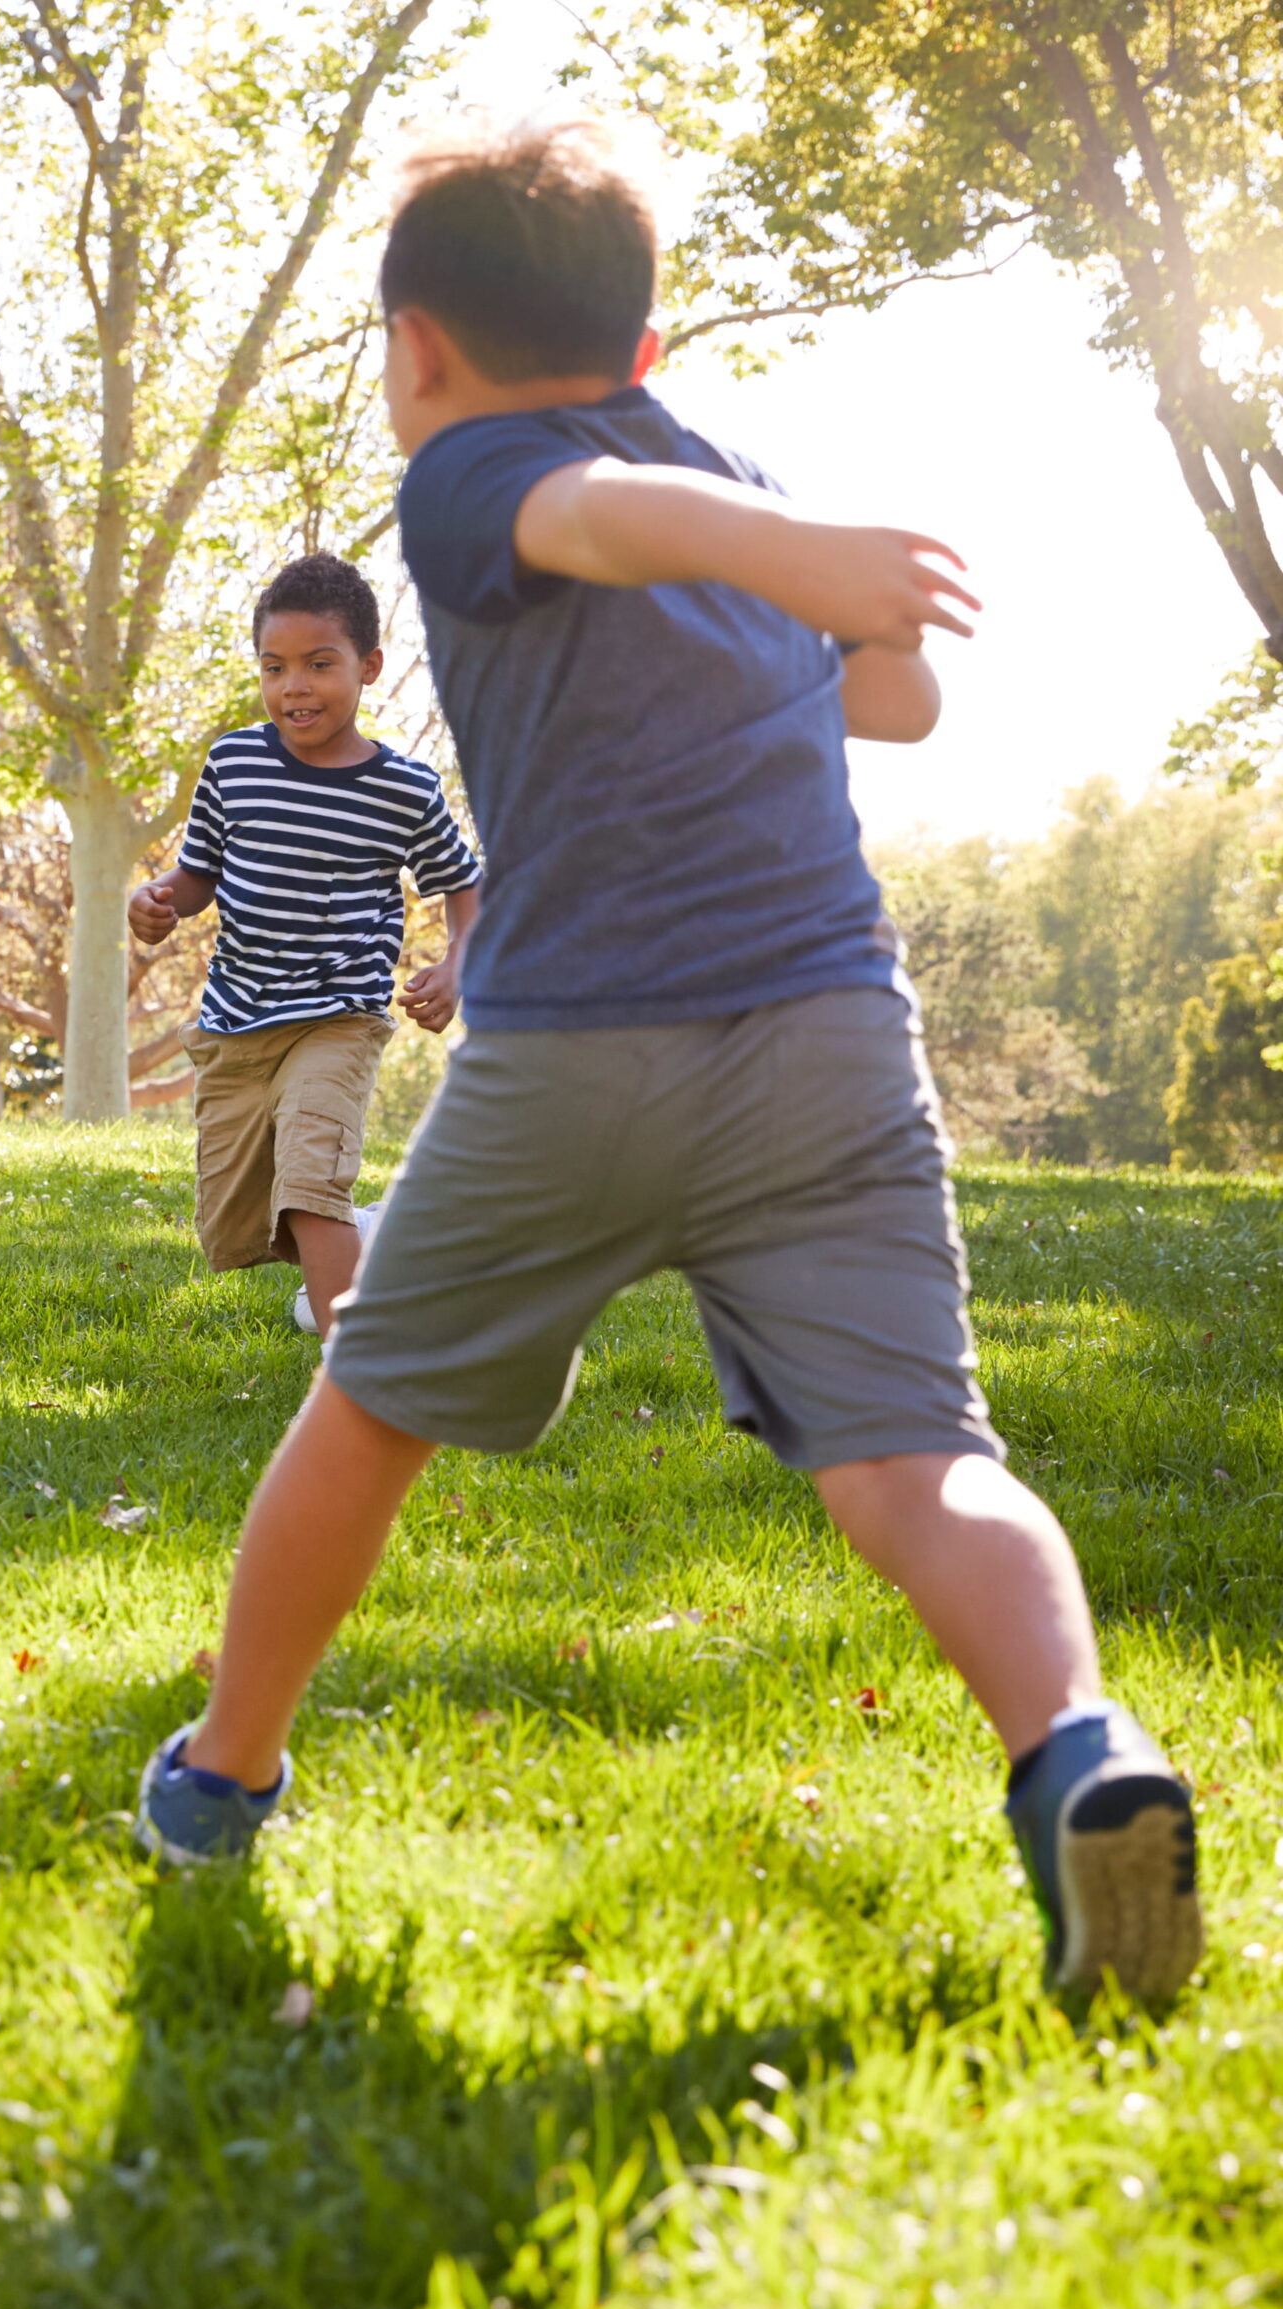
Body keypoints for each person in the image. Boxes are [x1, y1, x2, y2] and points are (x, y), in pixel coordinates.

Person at [133, 122, 1203, 2007]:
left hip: (580, 1051)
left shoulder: (465, 473)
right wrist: (812, 565)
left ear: (418, 350)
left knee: (369, 1412)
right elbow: (894, 693)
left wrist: (788, 554)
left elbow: (595, 520)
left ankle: (221, 1776)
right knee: (923, 1464)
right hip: (828, 1043)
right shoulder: (726, 478)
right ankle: (1077, 1747)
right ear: (640, 346)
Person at [129, 552, 481, 1340]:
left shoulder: (405, 789)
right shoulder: (234, 763)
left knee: (310, 1192)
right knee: (238, 1226)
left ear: (369, 667)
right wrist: (156, 900)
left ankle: (355, 1367)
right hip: (236, 1025)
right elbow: (197, 876)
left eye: (320, 665)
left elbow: (465, 885)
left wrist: (458, 965)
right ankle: (372, 1241)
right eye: (275, 666)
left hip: (338, 1019)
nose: (295, 686)